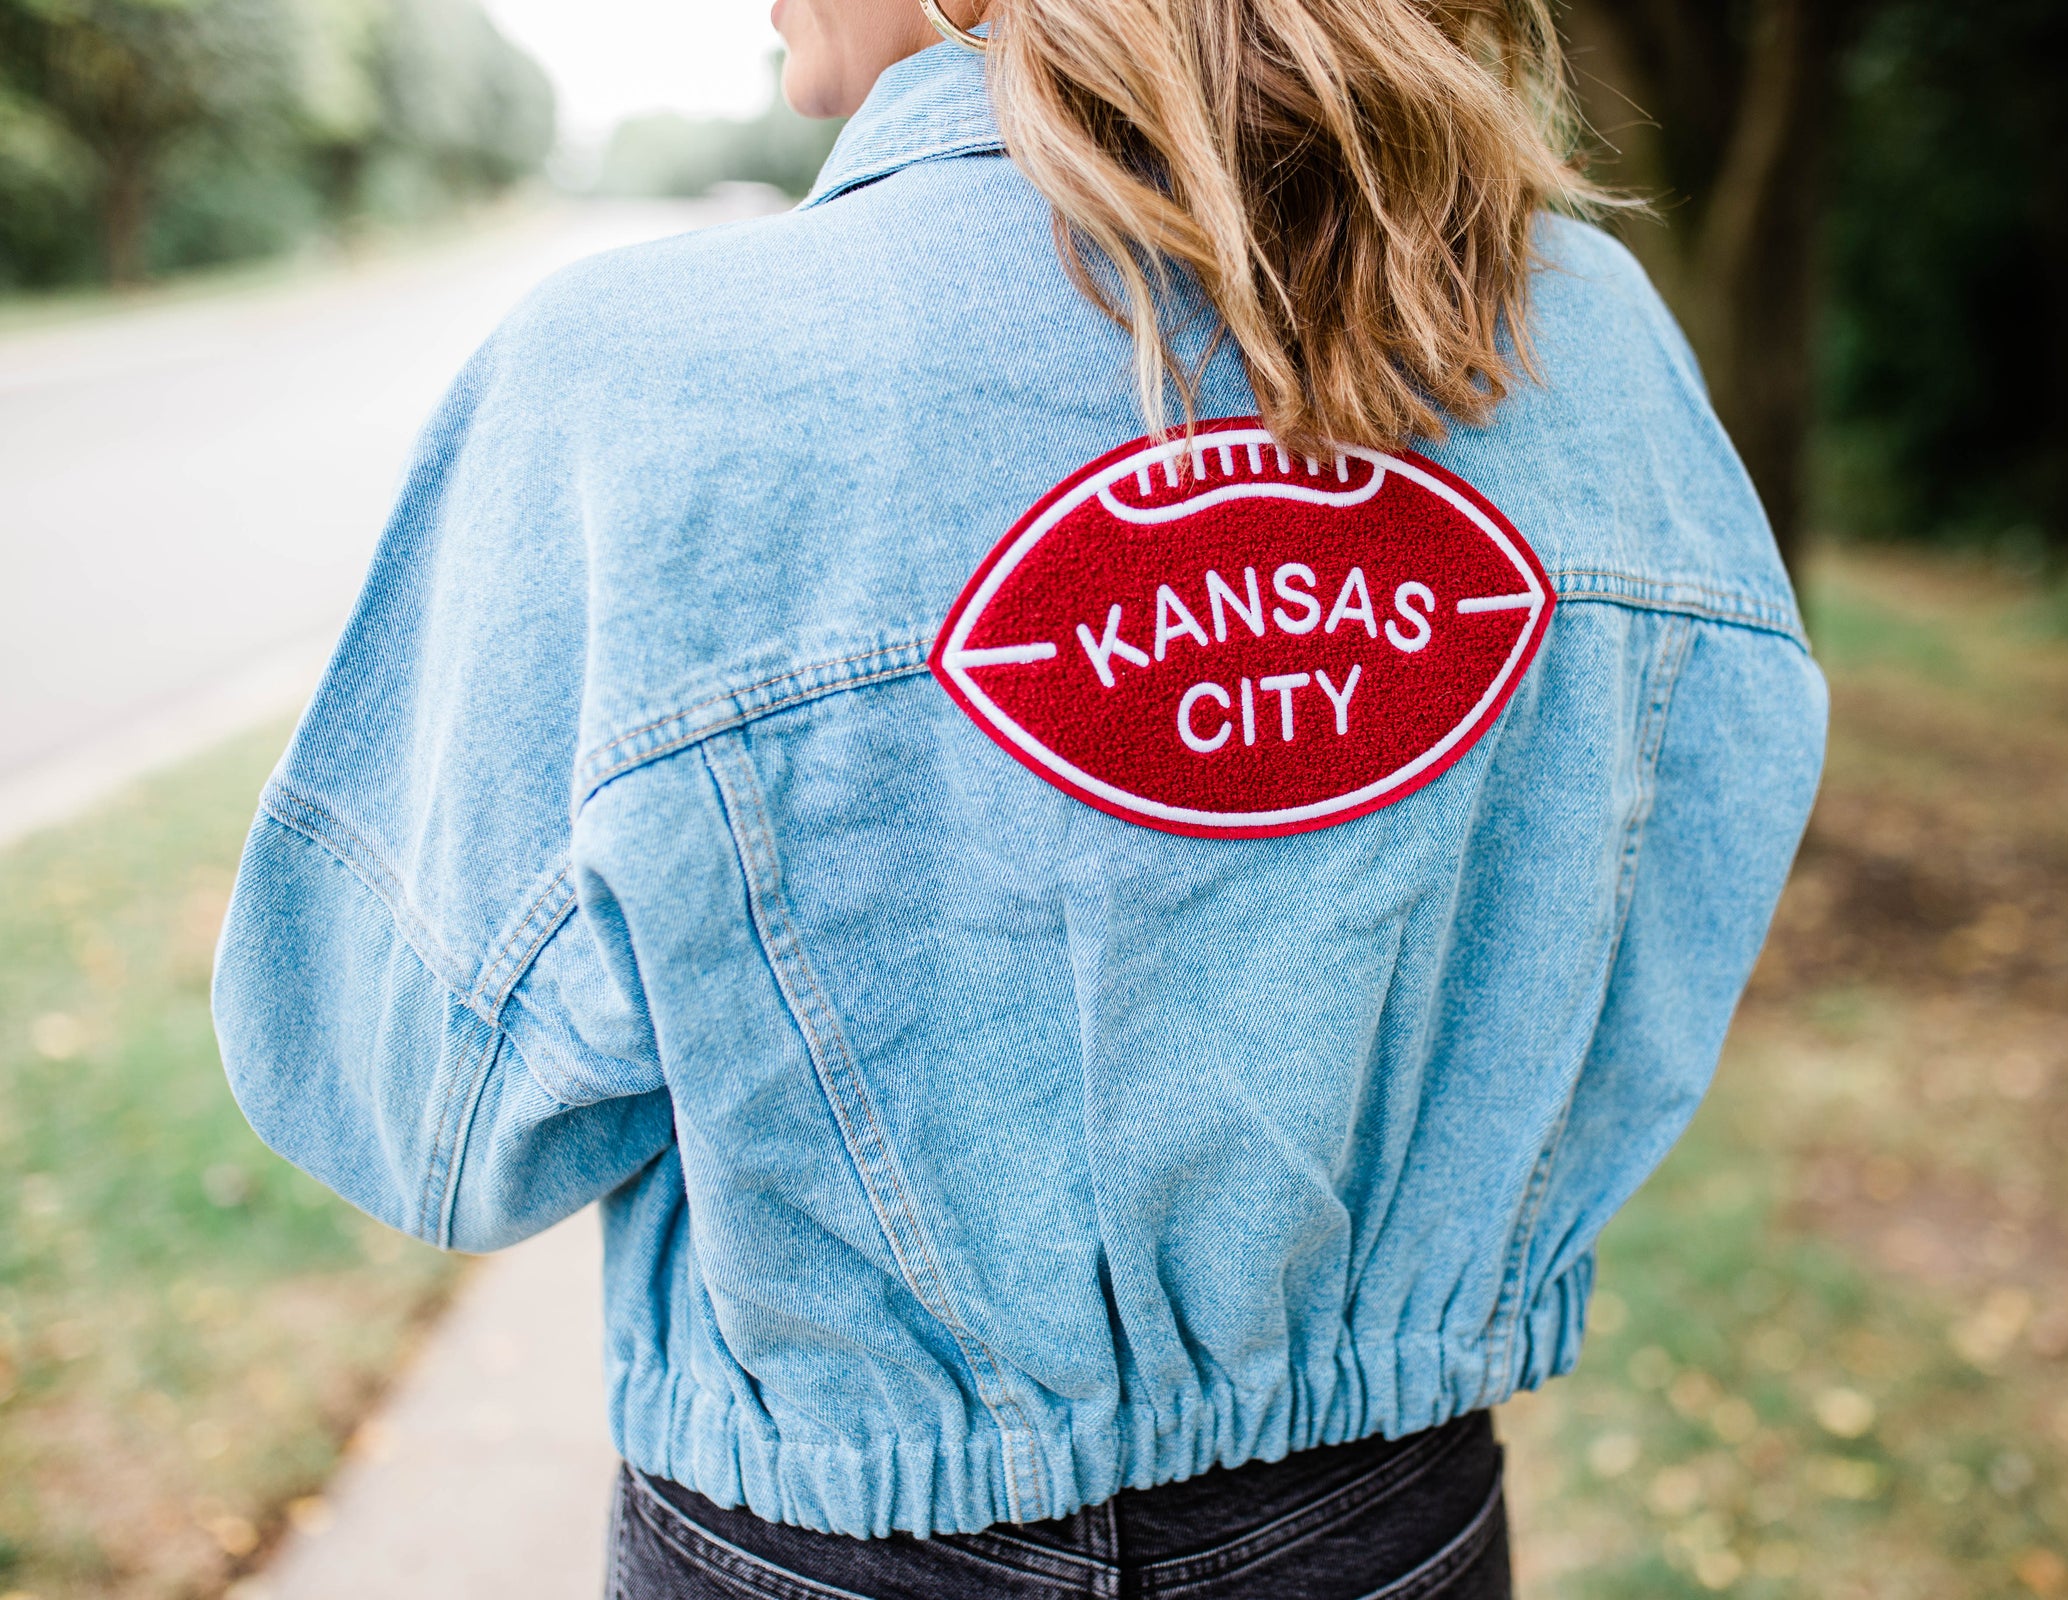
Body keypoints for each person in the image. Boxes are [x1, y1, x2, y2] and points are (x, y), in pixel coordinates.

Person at [211, 0, 1826, 1594]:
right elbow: (1683, 881)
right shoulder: (1581, 333)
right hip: (1386, 1524)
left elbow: (417, 1099)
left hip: (828, 1548)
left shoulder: (637, 379)